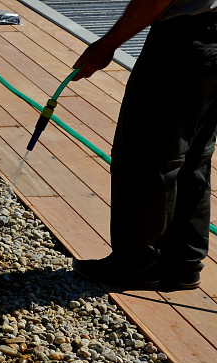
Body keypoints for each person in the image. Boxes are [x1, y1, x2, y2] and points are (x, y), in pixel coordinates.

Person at [71, 0, 217, 290]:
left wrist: (107, 45)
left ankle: (136, 265)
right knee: (195, 156)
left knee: (146, 157)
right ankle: (183, 264)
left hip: (181, 44)